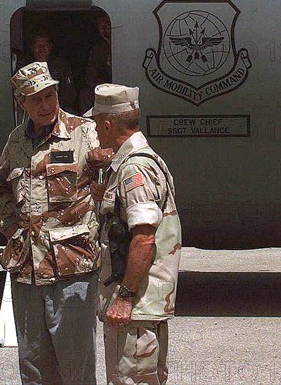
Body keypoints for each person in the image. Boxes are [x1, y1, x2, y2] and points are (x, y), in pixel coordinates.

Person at [0, 62, 100, 384]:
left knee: (75, 364)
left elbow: (108, 189)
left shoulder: (84, 132)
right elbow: (0, 190)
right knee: (34, 364)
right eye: (35, 99)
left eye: (50, 95)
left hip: (72, 267)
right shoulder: (16, 141)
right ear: (21, 103)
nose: (45, 105)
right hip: (27, 270)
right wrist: (13, 230)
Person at [84, 84, 182, 385]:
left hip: (136, 306)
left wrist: (124, 298)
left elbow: (144, 239)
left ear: (109, 124)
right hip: (139, 306)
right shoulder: (132, 162)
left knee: (132, 380)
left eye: (97, 124)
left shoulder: (134, 169)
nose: (95, 133)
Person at [19, 30, 78, 114]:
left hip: (59, 107)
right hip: (33, 109)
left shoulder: (61, 65)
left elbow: (70, 94)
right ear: (32, 48)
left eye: (45, 45)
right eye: (37, 46)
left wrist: (53, 105)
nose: (42, 49)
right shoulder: (24, 68)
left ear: (50, 46)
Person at [80, 14, 113, 115]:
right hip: (106, 88)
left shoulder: (128, 44)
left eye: (107, 24)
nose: (104, 29)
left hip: (126, 85)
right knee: (85, 94)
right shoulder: (98, 50)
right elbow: (91, 77)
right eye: (100, 26)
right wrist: (104, 88)